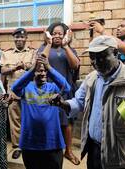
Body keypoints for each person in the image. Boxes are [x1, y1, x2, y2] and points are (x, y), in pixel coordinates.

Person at [49, 35, 125, 169]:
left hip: (121, 155)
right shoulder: (91, 78)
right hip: (94, 151)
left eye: (102, 56)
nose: (96, 62)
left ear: (115, 53)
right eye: (93, 57)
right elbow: (79, 102)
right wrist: (63, 104)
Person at [11, 55, 71, 169]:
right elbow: (15, 88)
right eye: (39, 71)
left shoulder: (53, 87)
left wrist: (50, 68)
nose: (42, 73)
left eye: (44, 71)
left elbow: (67, 88)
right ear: (33, 73)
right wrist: (32, 69)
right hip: (30, 143)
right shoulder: (26, 87)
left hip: (53, 143)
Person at [38, 22, 80, 165]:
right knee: (48, 120)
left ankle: (68, 151)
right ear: (49, 34)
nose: (57, 35)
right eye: (54, 33)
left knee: (67, 122)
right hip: (47, 90)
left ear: (65, 35)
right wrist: (48, 44)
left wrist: (66, 46)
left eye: (60, 33)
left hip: (66, 89)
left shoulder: (69, 49)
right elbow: (40, 63)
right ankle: (49, 148)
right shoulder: (44, 48)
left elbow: (75, 65)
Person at [0, 28, 35, 159]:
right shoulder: (6, 54)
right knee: (15, 118)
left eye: (22, 37)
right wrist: (14, 68)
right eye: (17, 37)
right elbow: (3, 70)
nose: (19, 40)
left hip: (29, 91)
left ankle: (29, 144)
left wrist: (25, 67)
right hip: (13, 92)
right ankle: (17, 146)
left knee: (30, 117)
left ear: (26, 38)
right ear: (13, 38)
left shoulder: (32, 52)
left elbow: (35, 68)